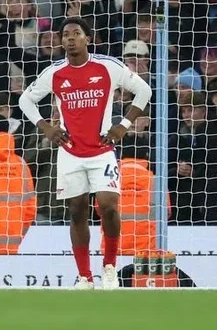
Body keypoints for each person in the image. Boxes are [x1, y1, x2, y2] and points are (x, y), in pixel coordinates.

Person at [18, 17, 152, 289]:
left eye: (76, 33)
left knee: (108, 206)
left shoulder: (108, 66)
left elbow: (144, 91)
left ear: (88, 39)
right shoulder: (54, 72)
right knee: (77, 211)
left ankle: (110, 267)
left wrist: (123, 126)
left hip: (102, 150)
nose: (69, 38)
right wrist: (46, 127)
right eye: (65, 34)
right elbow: (25, 100)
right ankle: (84, 276)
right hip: (69, 152)